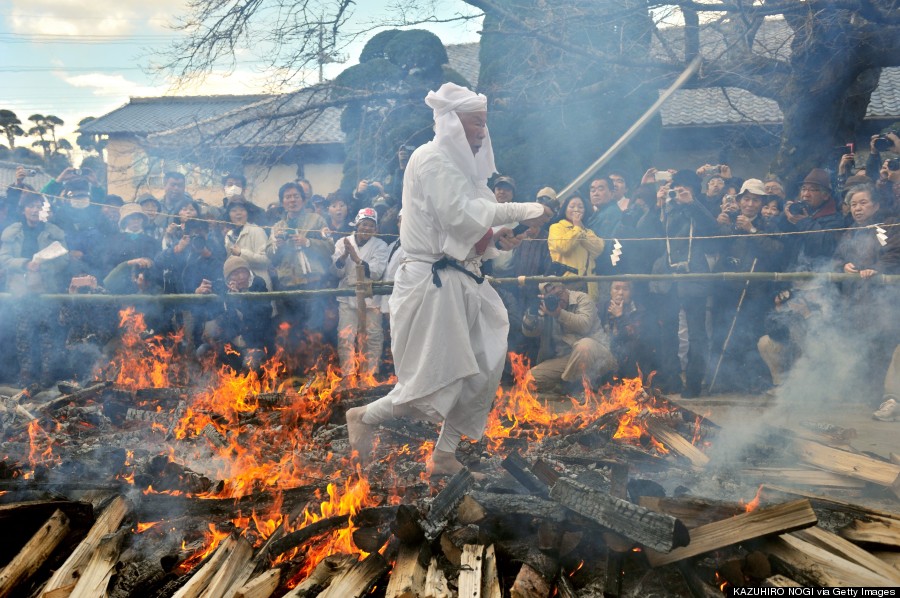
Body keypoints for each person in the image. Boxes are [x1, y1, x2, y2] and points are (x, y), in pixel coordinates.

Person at [345, 82, 551, 478]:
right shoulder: (431, 158)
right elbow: (459, 215)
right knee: (435, 377)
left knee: (482, 368)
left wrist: (499, 239)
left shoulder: (469, 173)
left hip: (466, 281)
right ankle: (364, 416)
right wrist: (524, 209)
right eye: (475, 123)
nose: (481, 132)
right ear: (453, 122)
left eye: (484, 124)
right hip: (431, 284)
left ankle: (444, 454)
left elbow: (474, 234)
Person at [0, 191, 69, 387]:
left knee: (47, 333)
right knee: (23, 334)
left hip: (45, 289)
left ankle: (47, 376)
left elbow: (64, 259)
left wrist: (43, 267)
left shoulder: (54, 232)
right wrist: (24, 264)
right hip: (20, 290)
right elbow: (3, 259)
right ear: (23, 210)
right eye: (31, 206)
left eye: (40, 206)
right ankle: (26, 376)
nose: (35, 210)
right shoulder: (12, 232)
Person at [522, 281, 616, 394]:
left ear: (565, 289)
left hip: (598, 355)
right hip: (568, 359)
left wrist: (559, 313)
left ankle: (571, 386)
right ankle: (567, 385)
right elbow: (530, 333)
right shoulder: (547, 307)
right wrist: (532, 313)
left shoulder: (582, 298)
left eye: (559, 294)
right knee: (529, 380)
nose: (558, 299)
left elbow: (584, 325)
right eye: (552, 297)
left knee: (584, 346)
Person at [332, 207, 390, 380]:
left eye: (371, 226)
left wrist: (356, 258)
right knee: (345, 336)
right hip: (347, 296)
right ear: (357, 224)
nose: (367, 229)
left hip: (370, 298)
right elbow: (336, 272)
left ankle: (371, 373)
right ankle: (348, 374)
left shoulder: (381, 245)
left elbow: (377, 272)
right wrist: (343, 257)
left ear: (376, 229)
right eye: (364, 224)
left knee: (373, 336)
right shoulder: (343, 241)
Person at [548, 194, 605, 300]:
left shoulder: (588, 231)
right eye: (572, 206)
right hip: (566, 285)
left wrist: (580, 229)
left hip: (590, 287)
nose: (576, 209)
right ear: (565, 209)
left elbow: (599, 249)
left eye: (580, 207)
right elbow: (563, 247)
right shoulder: (556, 227)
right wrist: (577, 228)